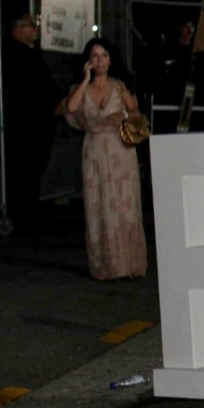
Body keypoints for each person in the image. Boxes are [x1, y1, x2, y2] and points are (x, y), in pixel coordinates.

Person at [63, 38, 148, 280]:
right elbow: (71, 108)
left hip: (119, 149)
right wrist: (85, 80)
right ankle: (103, 266)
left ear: (111, 60)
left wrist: (122, 115)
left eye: (104, 55)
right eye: (95, 56)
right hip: (94, 150)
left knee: (123, 205)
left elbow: (135, 111)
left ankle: (127, 264)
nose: (99, 61)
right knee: (97, 205)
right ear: (88, 61)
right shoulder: (81, 88)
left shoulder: (119, 85)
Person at [1, 14, 61, 234]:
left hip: (34, 122)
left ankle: (27, 213)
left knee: (31, 170)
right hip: (27, 124)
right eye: (30, 26)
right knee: (26, 170)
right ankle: (24, 216)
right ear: (18, 28)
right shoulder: (17, 55)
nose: (35, 29)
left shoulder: (26, 54)